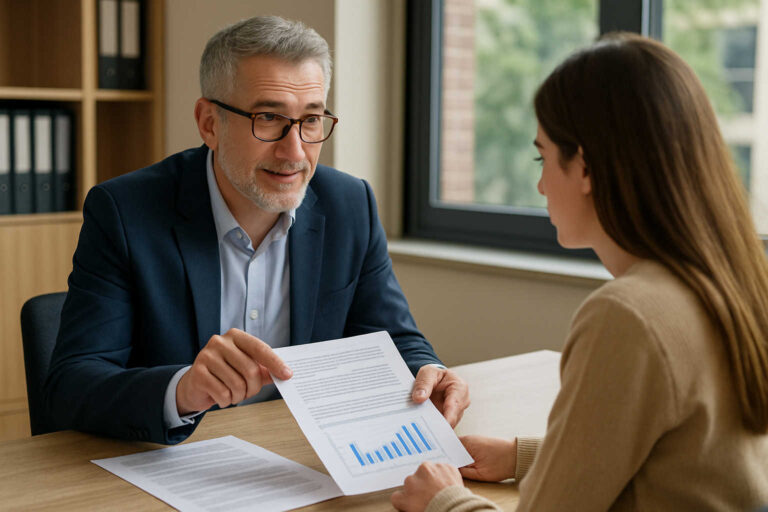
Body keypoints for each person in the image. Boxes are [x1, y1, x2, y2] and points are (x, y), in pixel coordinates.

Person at [43, 15, 469, 445]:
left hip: (298, 460)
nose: (295, 151)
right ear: (209, 123)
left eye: (311, 120)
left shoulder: (349, 205)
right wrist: (182, 390)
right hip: (171, 468)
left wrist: (427, 373)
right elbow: (71, 385)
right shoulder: (125, 212)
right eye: (268, 118)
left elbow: (394, 341)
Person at [391, 32, 768, 511]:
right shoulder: (731, 281)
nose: (541, 183)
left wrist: (442, 500)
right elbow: (684, 455)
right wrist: (524, 457)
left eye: (542, 156)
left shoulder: (629, 315)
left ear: (585, 167)